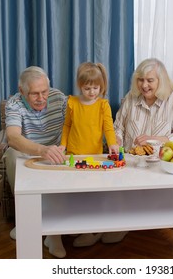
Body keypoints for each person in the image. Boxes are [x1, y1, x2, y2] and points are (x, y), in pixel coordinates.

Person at [112, 58, 173, 242]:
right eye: (140, 80)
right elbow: (118, 127)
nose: (144, 85)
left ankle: (140, 221)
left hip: (159, 165)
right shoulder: (131, 97)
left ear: (160, 81)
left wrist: (154, 139)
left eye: (150, 80)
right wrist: (116, 141)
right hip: (130, 164)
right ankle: (117, 223)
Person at [3, 66, 67, 258]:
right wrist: (41, 150)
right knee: (11, 155)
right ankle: (25, 221)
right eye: (35, 94)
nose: (41, 98)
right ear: (22, 91)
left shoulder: (59, 97)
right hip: (27, 154)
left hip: (56, 153)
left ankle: (53, 234)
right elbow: (13, 138)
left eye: (44, 91)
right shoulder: (14, 103)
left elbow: (73, 125)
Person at [60, 62, 119, 248]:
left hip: (94, 157)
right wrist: (62, 145)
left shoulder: (103, 105)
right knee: (74, 193)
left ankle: (92, 228)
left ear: (101, 87)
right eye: (87, 88)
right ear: (80, 86)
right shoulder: (72, 103)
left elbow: (108, 127)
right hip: (73, 154)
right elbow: (67, 126)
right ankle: (77, 224)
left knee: (92, 194)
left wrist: (113, 144)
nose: (92, 92)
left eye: (96, 88)